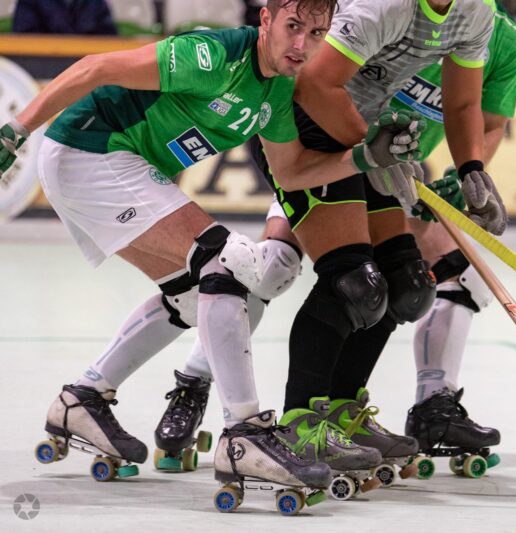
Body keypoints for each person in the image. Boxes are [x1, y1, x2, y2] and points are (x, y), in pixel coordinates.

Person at [1, 0, 421, 503]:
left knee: (188, 298)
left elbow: (292, 173)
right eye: (292, 26)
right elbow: (95, 68)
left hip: (119, 164)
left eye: (316, 34)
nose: (301, 45)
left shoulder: (277, 89)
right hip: (91, 151)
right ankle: (244, 434)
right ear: (265, 20)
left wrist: (364, 157)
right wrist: (15, 131)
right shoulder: (211, 57)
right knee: (226, 266)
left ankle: (83, 398)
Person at [256, 0, 509, 495]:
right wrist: (372, 153)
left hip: (365, 130)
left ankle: (342, 413)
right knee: (352, 283)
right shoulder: (385, 6)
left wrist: (472, 170)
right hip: (302, 125)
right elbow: (312, 85)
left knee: (405, 285)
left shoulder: (476, 12)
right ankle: (300, 424)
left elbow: (463, 106)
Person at [397, 2, 516, 473]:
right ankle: (200, 382)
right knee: (271, 266)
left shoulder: (506, 39)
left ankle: (434, 408)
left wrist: (461, 176)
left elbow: (489, 124)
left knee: (462, 273)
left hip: (405, 171)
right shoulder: (399, 10)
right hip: (337, 151)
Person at [12, 0, 117, 35]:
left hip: (85, 64)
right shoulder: (30, 1)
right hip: (42, 65)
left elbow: (109, 38)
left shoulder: (95, 2)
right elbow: (23, 35)